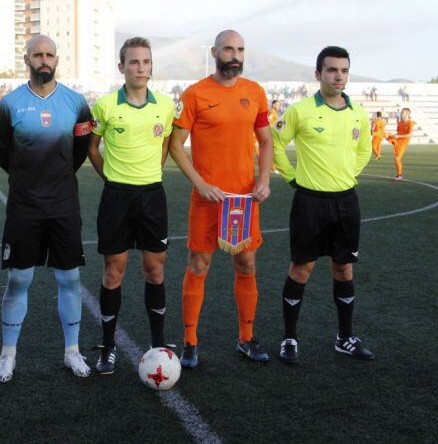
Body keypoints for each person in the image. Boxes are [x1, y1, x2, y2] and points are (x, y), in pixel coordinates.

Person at [0, 35, 93, 382]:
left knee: (71, 278)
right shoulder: (9, 104)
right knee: (19, 278)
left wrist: (57, 177)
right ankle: (8, 355)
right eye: (38, 55)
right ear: (27, 59)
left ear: (57, 59)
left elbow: (79, 151)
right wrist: (27, 180)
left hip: (64, 204)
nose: (44, 60)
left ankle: (72, 352)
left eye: (49, 55)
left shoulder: (77, 103)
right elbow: (1, 152)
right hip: (24, 205)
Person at [169, 29, 273, 368]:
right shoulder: (196, 93)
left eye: (240, 49)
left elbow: (267, 141)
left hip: (244, 201)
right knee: (199, 265)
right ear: (215, 51)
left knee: (246, 264)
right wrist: (200, 183)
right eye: (228, 49)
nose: (235, 55)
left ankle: (246, 339)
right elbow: (175, 144)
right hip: (207, 200)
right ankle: (190, 342)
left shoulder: (255, 92)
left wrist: (263, 179)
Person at [271, 46, 374, 365]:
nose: (338, 76)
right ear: (318, 74)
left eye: (344, 70)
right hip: (310, 202)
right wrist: (292, 177)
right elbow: (275, 143)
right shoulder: (300, 110)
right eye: (331, 70)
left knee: (344, 267)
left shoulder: (358, 113)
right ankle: (289, 338)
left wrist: (347, 175)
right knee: (302, 268)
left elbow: (365, 149)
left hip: (346, 201)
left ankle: (344, 338)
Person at [87, 37, 175, 374]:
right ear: (121, 67)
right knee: (114, 270)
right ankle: (108, 347)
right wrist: (109, 177)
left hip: (152, 196)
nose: (141, 68)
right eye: (134, 62)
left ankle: (157, 344)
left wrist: (152, 173)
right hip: (117, 197)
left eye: (146, 62)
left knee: (155, 269)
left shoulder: (165, 106)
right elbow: (92, 148)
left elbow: (166, 143)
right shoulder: (105, 106)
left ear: (152, 66)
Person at [386, 108, 414, 180]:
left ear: (407, 114)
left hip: (403, 142)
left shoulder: (410, 123)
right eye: (401, 113)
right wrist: (393, 135)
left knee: (397, 158)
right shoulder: (400, 122)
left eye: (403, 113)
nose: (401, 114)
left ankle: (399, 175)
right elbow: (398, 133)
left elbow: (410, 135)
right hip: (397, 139)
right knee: (385, 134)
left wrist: (399, 136)